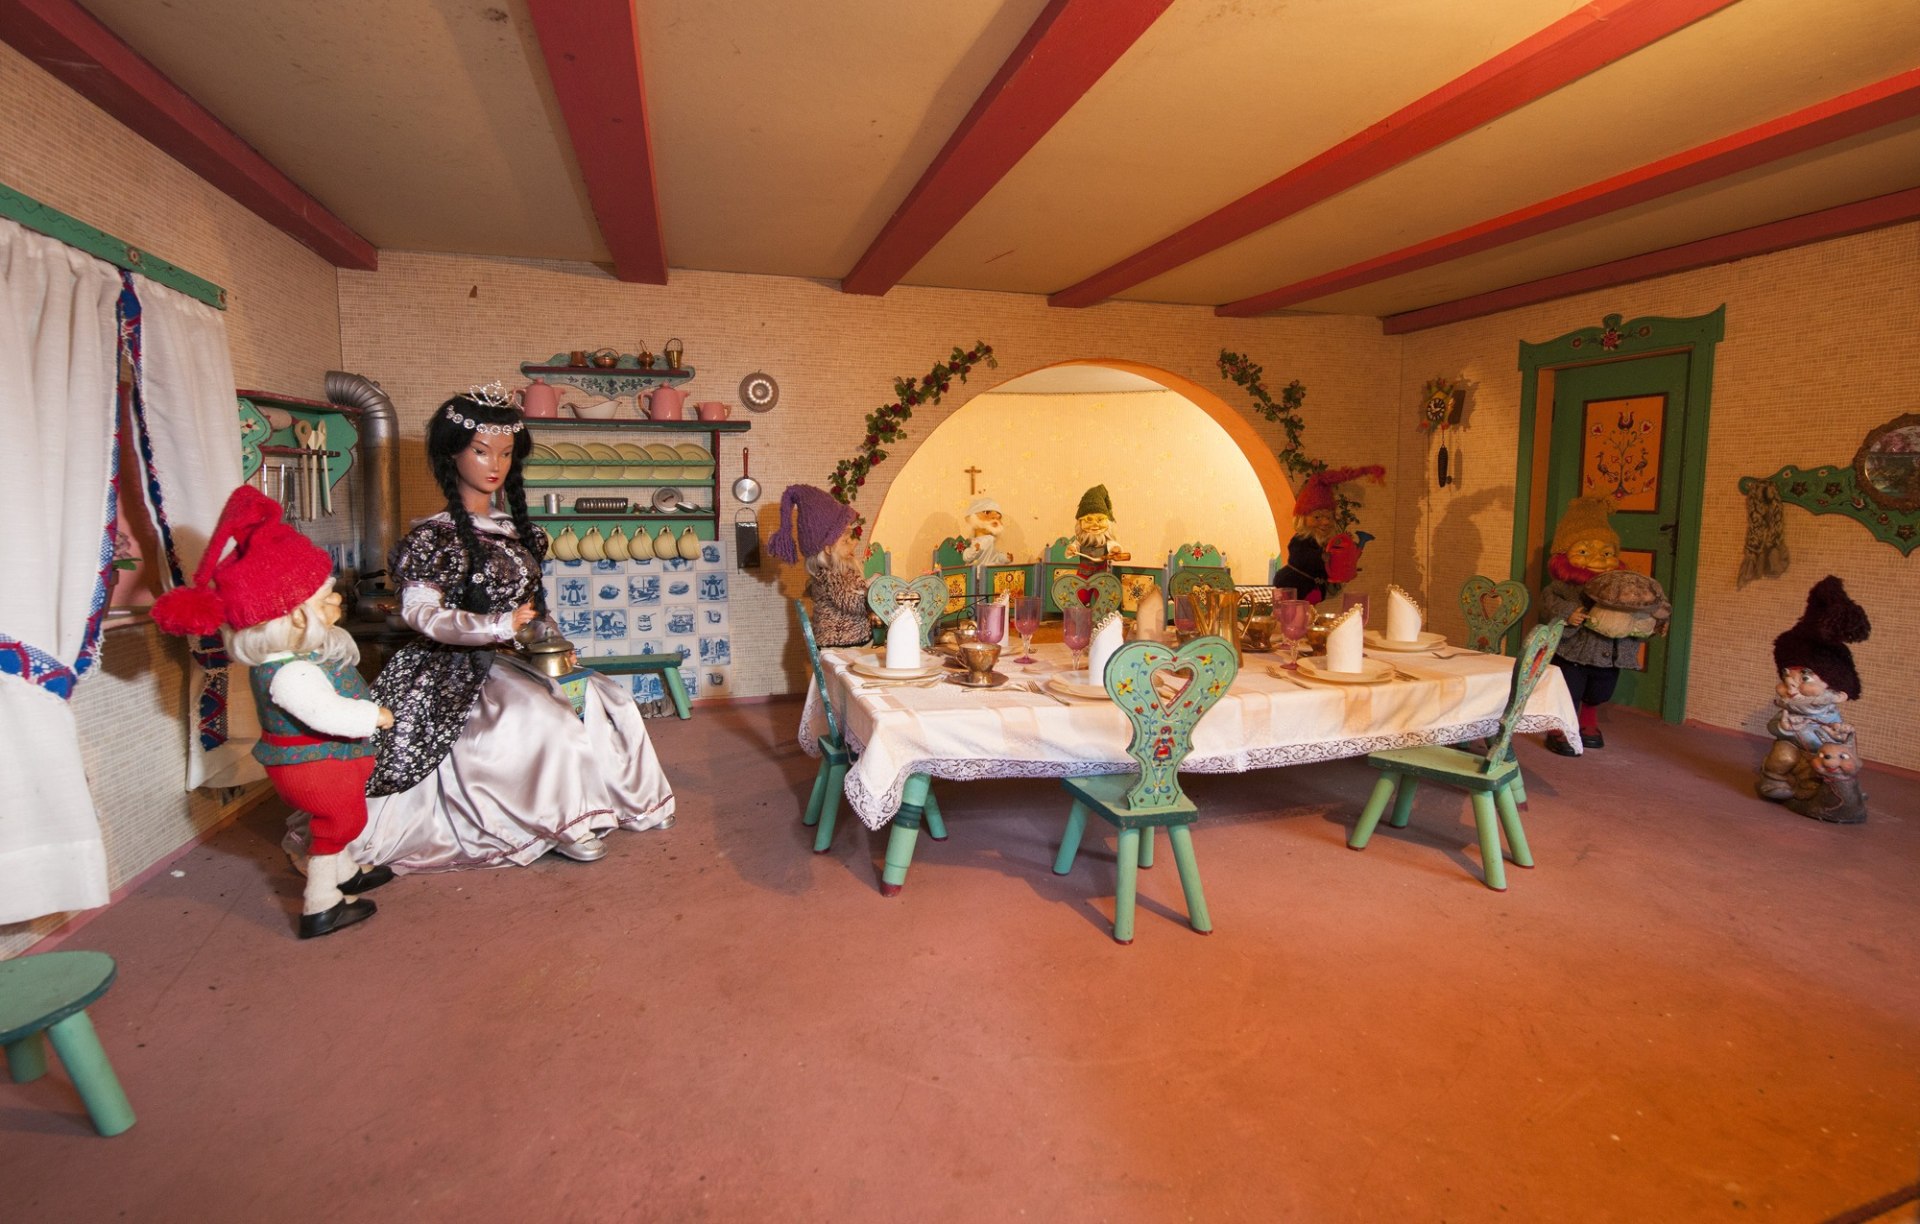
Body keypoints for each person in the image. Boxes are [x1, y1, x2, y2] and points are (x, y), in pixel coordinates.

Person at [356, 385, 675, 871]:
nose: (495, 465)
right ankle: (561, 822)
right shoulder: (433, 536)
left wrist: (547, 639)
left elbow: (532, 610)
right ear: (453, 454)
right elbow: (422, 614)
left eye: (505, 454)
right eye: (481, 451)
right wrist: (494, 625)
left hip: (517, 657)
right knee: (545, 721)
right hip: (456, 668)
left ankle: (620, 802)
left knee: (609, 700)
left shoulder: (511, 530)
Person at [153, 485, 394, 938]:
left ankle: (346, 875)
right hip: (315, 766)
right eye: (325, 600)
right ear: (296, 619)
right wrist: (373, 717)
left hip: (322, 763)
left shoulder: (294, 660)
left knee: (339, 818)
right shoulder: (290, 674)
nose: (337, 602)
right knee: (340, 821)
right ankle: (322, 903)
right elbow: (326, 714)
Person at [1535, 496, 1669, 756]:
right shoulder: (1564, 587)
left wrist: (1652, 622)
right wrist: (1568, 613)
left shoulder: (1624, 587)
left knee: (1600, 689)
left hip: (1610, 653)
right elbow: (1548, 601)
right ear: (1564, 555)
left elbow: (1642, 607)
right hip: (1574, 651)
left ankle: (1588, 720)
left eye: (1606, 553)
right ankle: (1559, 724)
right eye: (1584, 551)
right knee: (1568, 688)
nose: (1597, 558)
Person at [769, 483, 871, 648]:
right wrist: (872, 592)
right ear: (828, 549)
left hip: (849, 643)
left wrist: (866, 586)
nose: (853, 544)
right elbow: (850, 602)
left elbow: (853, 590)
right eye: (845, 541)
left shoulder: (840, 572)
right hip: (840, 644)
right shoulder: (831, 575)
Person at [1274, 466, 1383, 603]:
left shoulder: (1326, 542)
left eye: (1329, 518)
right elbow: (1301, 557)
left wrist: (1345, 564)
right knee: (1291, 617)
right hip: (1293, 586)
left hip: (1312, 589)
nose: (1325, 522)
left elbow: (1329, 569)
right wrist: (1322, 557)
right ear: (1303, 519)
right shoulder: (1300, 540)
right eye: (1317, 517)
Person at [1066, 484, 1129, 572]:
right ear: (1080, 523)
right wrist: (1071, 549)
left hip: (1101, 577)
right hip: (1082, 576)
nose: (1095, 525)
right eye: (1088, 520)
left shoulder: (1106, 542)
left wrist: (1115, 549)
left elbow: (1113, 545)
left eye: (1100, 520)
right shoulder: (1081, 541)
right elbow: (1074, 547)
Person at [959, 496, 1011, 566]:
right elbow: (966, 557)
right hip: (977, 573)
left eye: (998, 517)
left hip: (989, 571)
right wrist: (974, 550)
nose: (994, 518)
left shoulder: (991, 540)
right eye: (987, 512)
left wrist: (1006, 558)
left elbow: (995, 557)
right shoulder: (976, 542)